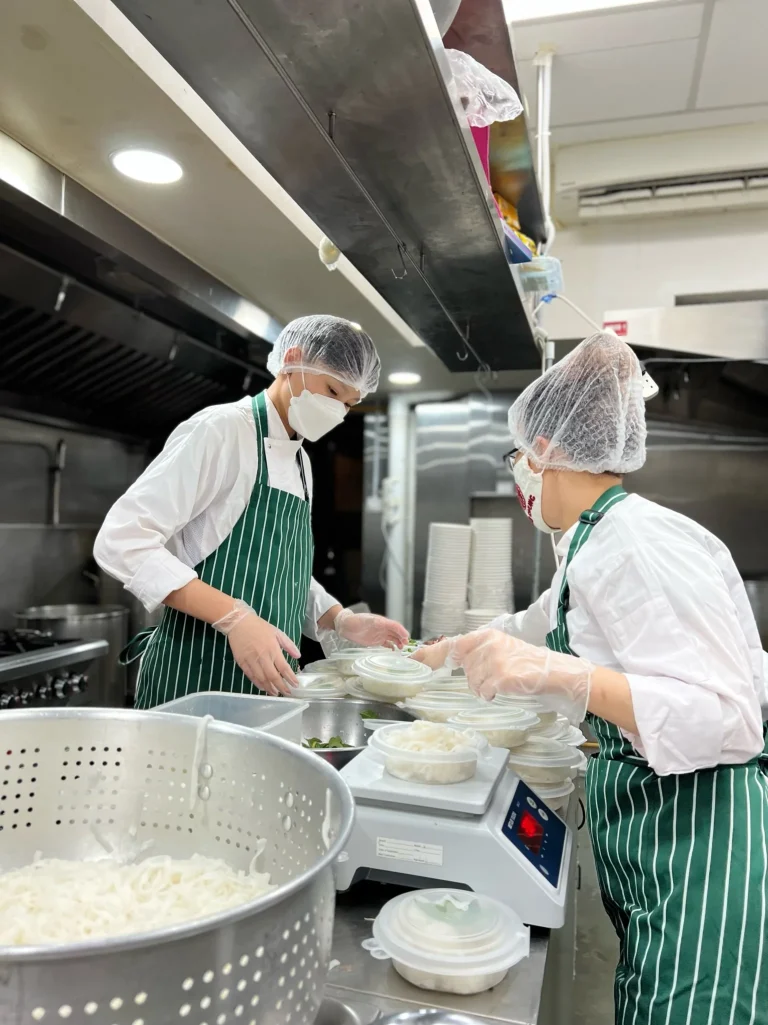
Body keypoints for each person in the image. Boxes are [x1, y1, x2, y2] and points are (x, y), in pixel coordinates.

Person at [414, 333, 768, 1025]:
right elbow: (533, 626)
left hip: (706, 855)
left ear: (546, 450)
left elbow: (729, 718)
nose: (519, 477)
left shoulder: (638, 541)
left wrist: (568, 678)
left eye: (518, 458)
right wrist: (445, 652)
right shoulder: (591, 542)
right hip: (659, 847)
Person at [95, 314, 407, 707]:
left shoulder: (301, 462)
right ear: (292, 361)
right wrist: (234, 618)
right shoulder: (223, 430)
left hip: (269, 688)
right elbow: (122, 539)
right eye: (332, 390)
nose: (337, 411)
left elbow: (282, 572)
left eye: (348, 404)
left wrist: (340, 619)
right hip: (195, 680)